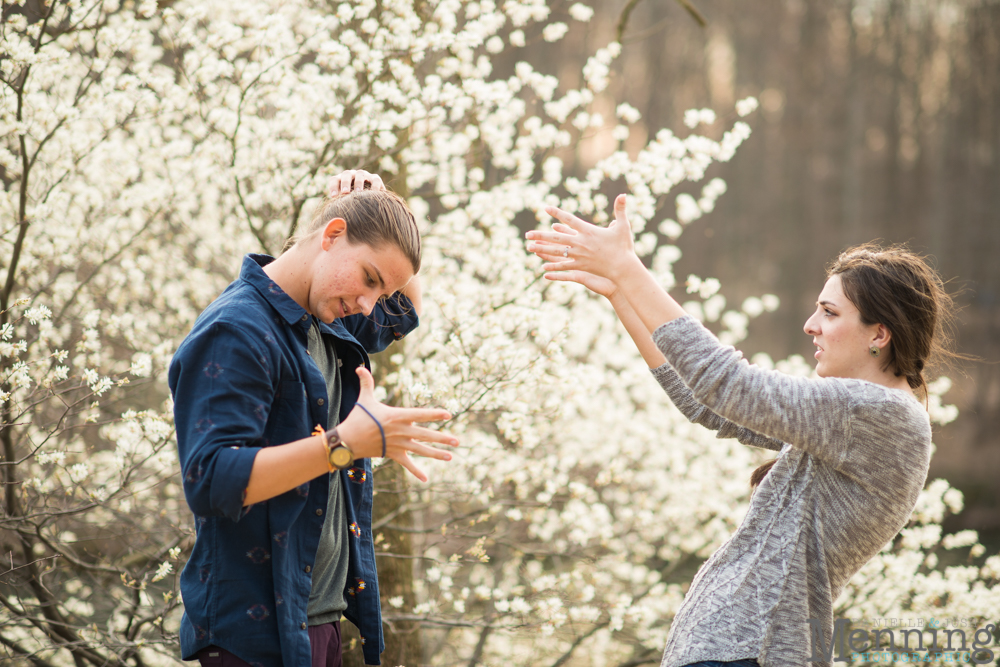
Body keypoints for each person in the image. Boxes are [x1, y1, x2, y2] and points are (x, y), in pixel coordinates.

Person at [526, 195, 956, 667]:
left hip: (750, 653)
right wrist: (620, 292)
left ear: (879, 334)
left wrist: (630, 271)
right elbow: (706, 404)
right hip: (735, 651)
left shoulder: (881, 414)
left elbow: (729, 384)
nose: (811, 325)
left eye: (830, 313)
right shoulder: (850, 419)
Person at [170, 171, 458, 667]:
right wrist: (344, 445)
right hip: (252, 639)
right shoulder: (235, 330)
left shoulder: (325, 317)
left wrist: (385, 207)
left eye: (380, 291)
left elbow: (404, 310)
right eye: (369, 278)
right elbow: (212, 480)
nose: (369, 303)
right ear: (330, 236)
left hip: (317, 627)